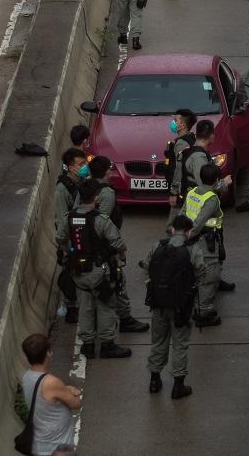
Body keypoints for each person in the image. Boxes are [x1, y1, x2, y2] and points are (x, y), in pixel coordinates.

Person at [58, 179, 132, 359]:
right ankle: (107, 345)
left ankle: (88, 346)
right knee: (105, 305)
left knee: (85, 307)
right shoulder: (101, 220)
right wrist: (122, 254)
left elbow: (60, 238)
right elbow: (118, 242)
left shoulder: (69, 217)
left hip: (78, 271)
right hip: (100, 272)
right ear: (96, 198)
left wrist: (71, 252)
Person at [142, 214, 202, 398]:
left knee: (158, 341)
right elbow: (203, 272)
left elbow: (146, 267)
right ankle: (178, 385)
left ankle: (154, 380)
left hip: (158, 303)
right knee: (179, 344)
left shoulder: (158, 246)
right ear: (189, 232)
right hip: (181, 307)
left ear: (172, 229)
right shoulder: (193, 250)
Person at [88, 156, 150, 334]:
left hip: (90, 248)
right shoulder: (106, 193)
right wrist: (118, 247)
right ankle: (125, 319)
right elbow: (103, 223)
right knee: (117, 282)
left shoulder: (86, 189)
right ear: (107, 171)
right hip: (105, 249)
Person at [180, 162, 228, 326]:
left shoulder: (193, 192)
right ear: (215, 180)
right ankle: (204, 313)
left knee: (193, 275)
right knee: (208, 277)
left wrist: (180, 237)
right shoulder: (212, 199)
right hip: (205, 243)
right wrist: (190, 234)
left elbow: (182, 214)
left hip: (190, 243)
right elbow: (199, 223)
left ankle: (196, 307)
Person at [20, 333, 81, 455]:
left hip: (40, 443)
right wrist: (73, 392)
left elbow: (47, 395)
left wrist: (64, 389)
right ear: (48, 352)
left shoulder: (26, 376)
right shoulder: (51, 382)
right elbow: (76, 404)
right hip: (57, 446)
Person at [55, 148, 88, 324]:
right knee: (70, 272)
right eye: (81, 164)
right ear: (70, 167)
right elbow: (62, 221)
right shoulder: (62, 190)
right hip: (70, 238)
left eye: (85, 163)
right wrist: (67, 247)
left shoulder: (82, 182)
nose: (85, 167)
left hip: (83, 234)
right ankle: (71, 307)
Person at [166, 108, 198, 216]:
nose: (173, 123)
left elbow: (178, 168)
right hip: (188, 189)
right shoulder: (191, 138)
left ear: (183, 125)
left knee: (172, 226)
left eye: (176, 120)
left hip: (182, 192)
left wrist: (174, 193)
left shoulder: (181, 144)